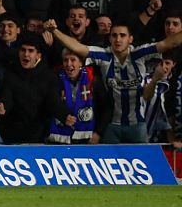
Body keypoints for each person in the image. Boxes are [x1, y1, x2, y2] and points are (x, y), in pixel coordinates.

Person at [44, 18, 182, 143]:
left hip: (138, 125)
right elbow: (77, 47)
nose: (118, 39)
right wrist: (54, 31)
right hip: (112, 126)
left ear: (130, 39)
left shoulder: (140, 54)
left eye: (122, 35)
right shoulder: (104, 56)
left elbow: (169, 42)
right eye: (114, 35)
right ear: (109, 38)